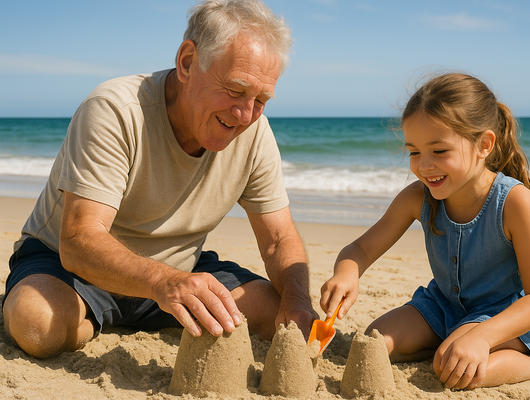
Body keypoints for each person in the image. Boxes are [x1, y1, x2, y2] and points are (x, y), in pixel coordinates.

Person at [2, 0, 319, 359]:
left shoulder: (254, 132)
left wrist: (298, 300)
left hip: (179, 274)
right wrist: (163, 283)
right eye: (235, 90)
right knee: (37, 324)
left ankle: (142, 314)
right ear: (187, 62)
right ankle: (102, 317)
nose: (245, 114)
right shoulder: (115, 110)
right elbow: (79, 240)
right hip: (72, 270)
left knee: (275, 312)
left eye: (260, 99)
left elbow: (278, 239)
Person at [319, 73, 530, 389]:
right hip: (447, 304)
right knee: (373, 343)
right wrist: (347, 272)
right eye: (414, 152)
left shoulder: (513, 201)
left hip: (512, 313)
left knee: (451, 368)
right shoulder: (417, 198)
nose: (424, 165)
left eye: (439, 151)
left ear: (484, 145)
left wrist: (483, 336)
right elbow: (360, 249)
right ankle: (453, 339)